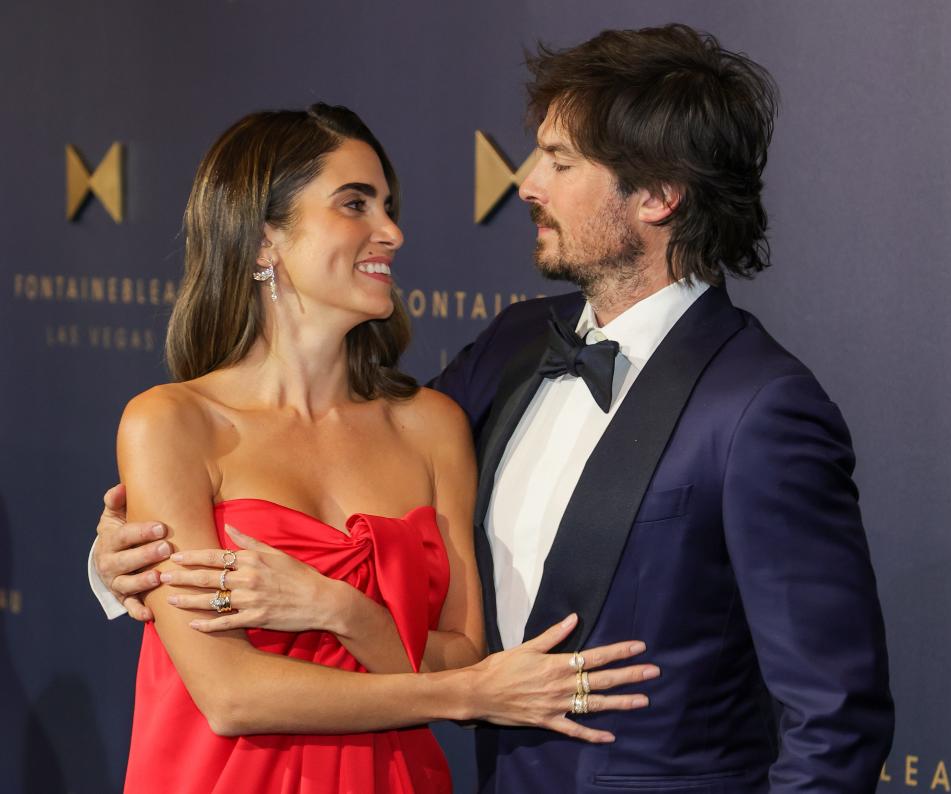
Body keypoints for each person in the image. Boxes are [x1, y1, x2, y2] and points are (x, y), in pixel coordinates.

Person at [92, 25, 894, 793]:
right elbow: (334, 466)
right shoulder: (511, 348)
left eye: (558, 160)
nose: (525, 183)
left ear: (654, 196)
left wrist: (346, 617)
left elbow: (831, 715)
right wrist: (124, 559)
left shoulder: (759, 407)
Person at [101, 102, 657, 794]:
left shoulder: (431, 425)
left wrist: (339, 610)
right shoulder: (172, 423)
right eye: (354, 205)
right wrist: (468, 695)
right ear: (260, 241)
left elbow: (462, 650)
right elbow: (231, 696)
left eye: (387, 206)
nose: (390, 232)